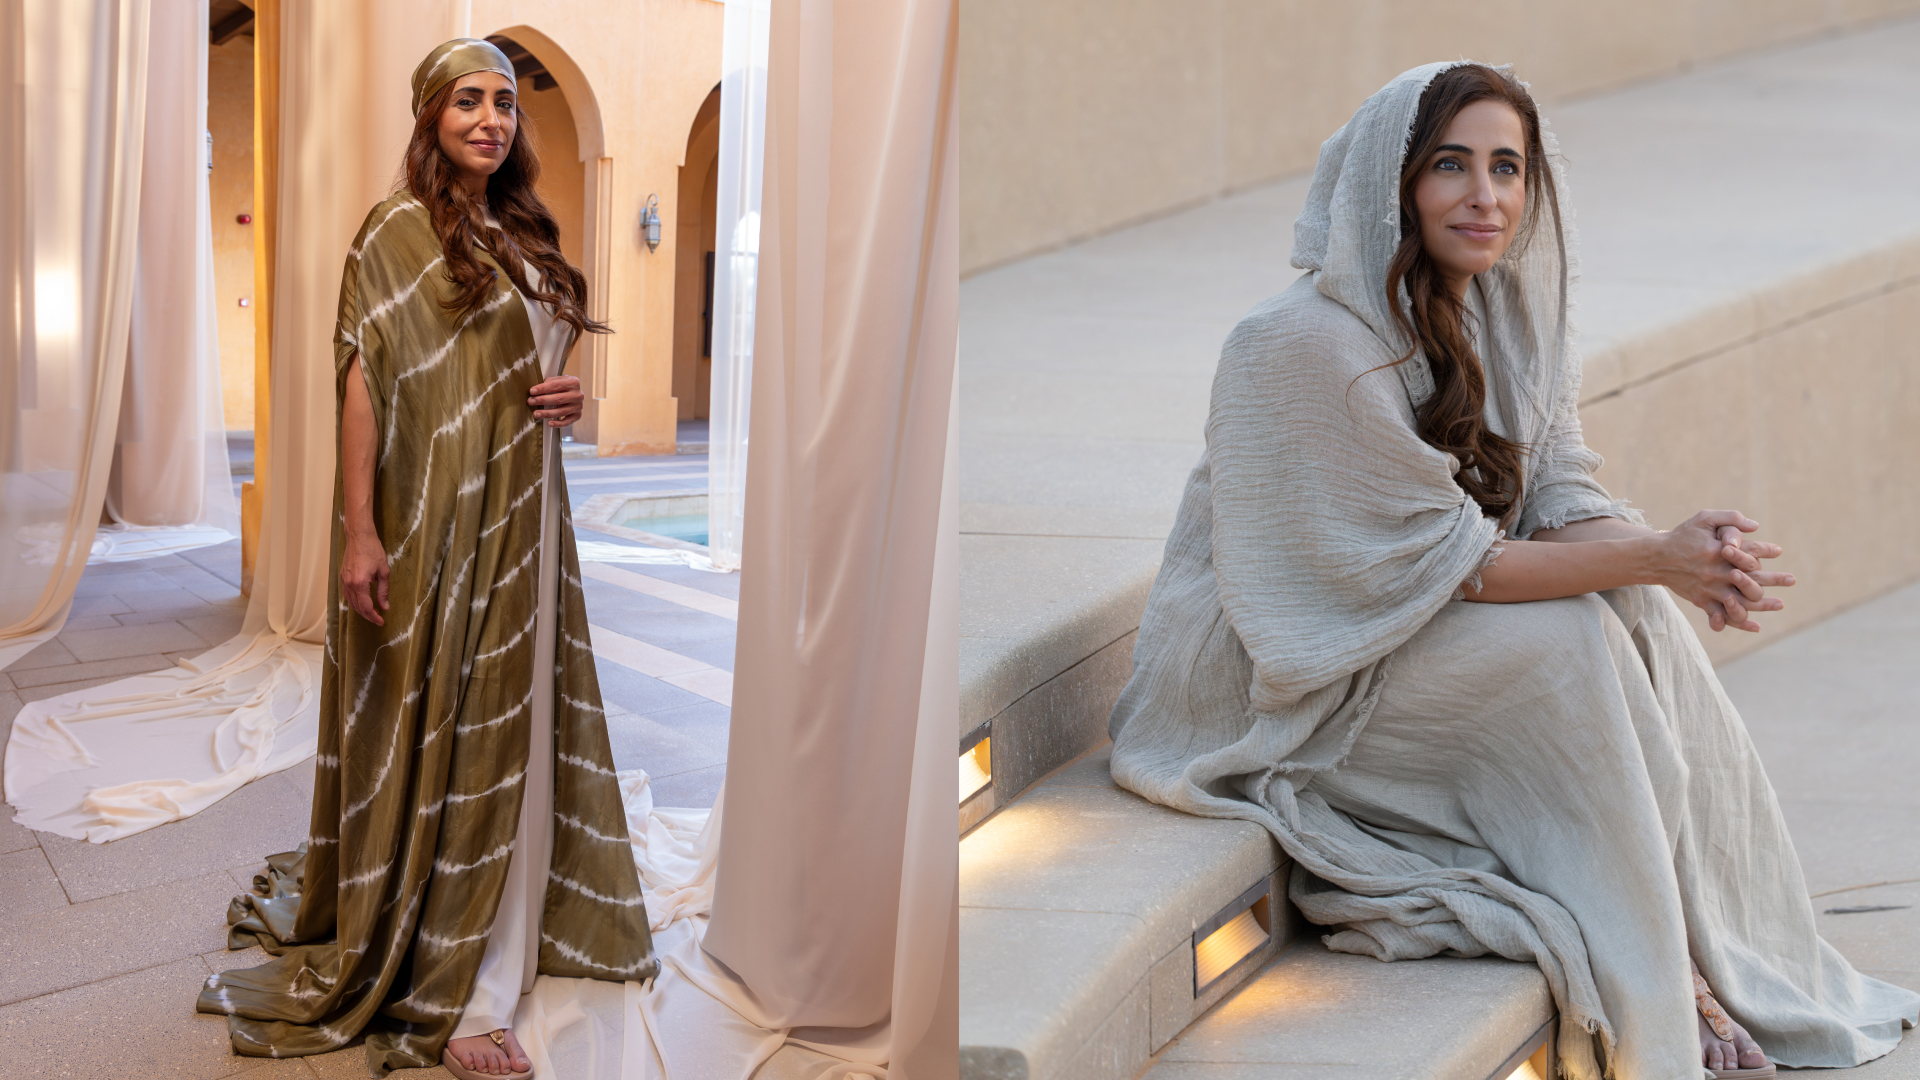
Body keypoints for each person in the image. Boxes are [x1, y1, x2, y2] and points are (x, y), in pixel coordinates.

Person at [1106, 61, 1919, 1080]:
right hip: (1295, 684)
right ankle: (1663, 994)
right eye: (1451, 166)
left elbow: (1560, 495)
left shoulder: (1499, 316)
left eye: (1507, 167)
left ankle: (1706, 954)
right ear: (1391, 183)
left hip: (1412, 629)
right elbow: (1456, 571)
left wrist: (1676, 560)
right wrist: (1654, 558)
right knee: (1568, 642)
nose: (1485, 197)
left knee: (1632, 611)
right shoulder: (1298, 344)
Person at [195, 39, 654, 1079]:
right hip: (441, 513)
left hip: (531, 509)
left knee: (521, 706)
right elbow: (363, 383)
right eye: (467, 102)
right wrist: (362, 530)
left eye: (504, 102)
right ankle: (465, 983)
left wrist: (568, 399)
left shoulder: (523, 226)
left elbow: (538, 365)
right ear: (430, 117)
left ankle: (522, 901)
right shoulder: (395, 232)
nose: (491, 118)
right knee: (462, 706)